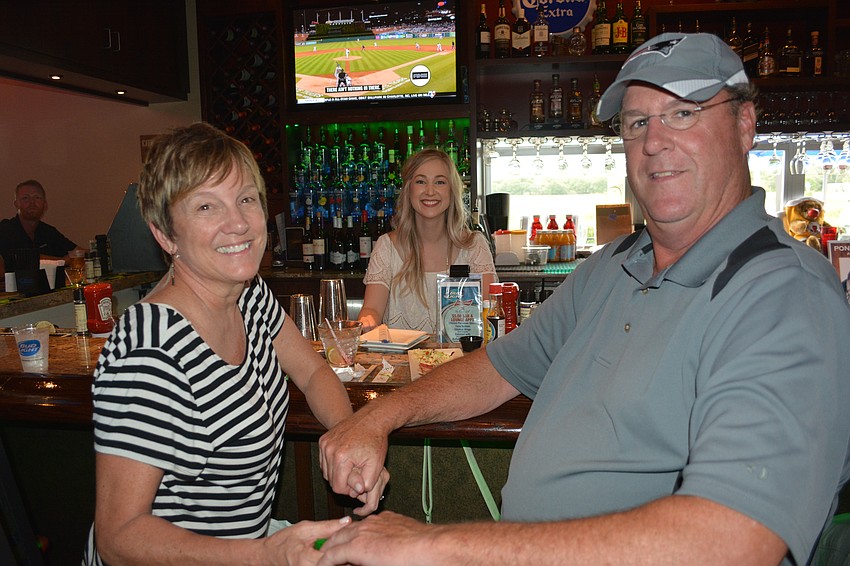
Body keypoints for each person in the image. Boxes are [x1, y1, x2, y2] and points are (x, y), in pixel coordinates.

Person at [317, 33, 850, 565]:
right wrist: (378, 416)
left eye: (684, 113)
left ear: (744, 124)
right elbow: (496, 368)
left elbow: (734, 540)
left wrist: (434, 544)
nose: (655, 141)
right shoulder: (612, 265)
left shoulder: (784, 295)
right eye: (637, 122)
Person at [82, 122, 388, 565]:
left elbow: (313, 370)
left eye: (246, 198)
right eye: (207, 206)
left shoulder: (249, 295)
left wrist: (349, 438)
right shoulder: (149, 352)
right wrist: (263, 554)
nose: (239, 223)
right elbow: (119, 537)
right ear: (165, 235)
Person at [357, 148, 496, 333]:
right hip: (400, 361)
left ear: (452, 191)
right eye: (421, 181)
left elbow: (490, 310)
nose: (430, 191)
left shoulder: (474, 245)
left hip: (461, 360)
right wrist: (367, 321)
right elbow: (372, 309)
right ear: (408, 190)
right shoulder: (387, 246)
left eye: (439, 182)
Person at [0, 179, 79, 268]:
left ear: (45, 204)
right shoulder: (5, 229)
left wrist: (93, 251)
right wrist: (62, 261)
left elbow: (76, 251)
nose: (32, 202)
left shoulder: (48, 231)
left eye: (37, 197)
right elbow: (23, 259)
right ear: (16, 204)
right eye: (26, 198)